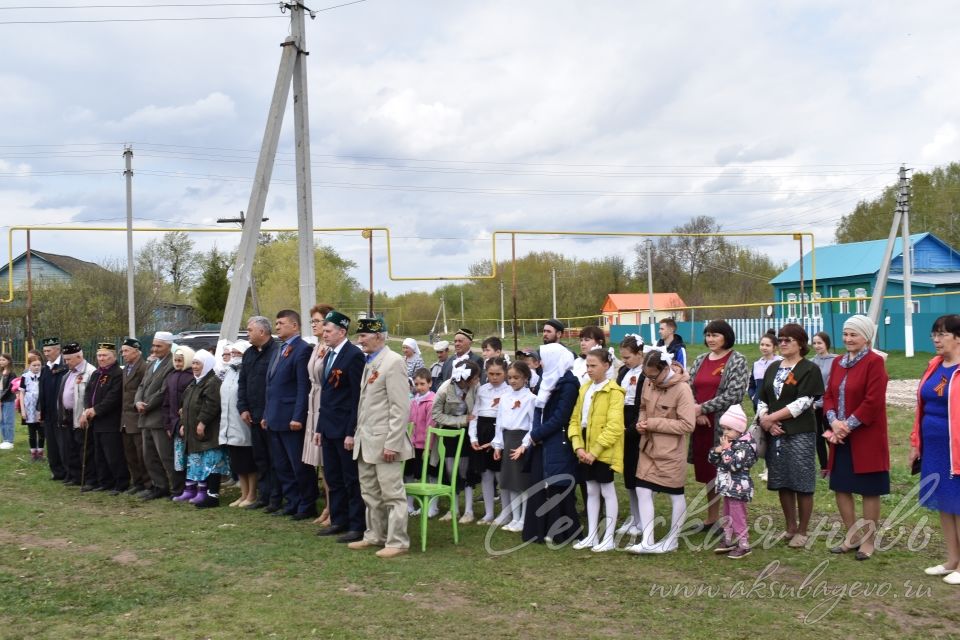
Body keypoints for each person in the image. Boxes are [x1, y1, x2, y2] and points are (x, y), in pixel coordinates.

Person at [822, 315, 889, 560]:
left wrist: (845, 426)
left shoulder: (874, 363)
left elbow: (872, 401)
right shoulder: (839, 362)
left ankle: (869, 541)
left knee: (869, 489)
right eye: (846, 334)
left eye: (854, 335)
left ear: (866, 337)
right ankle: (852, 535)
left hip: (866, 436)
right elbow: (828, 393)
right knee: (842, 485)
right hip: (840, 435)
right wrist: (833, 421)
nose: (848, 339)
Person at [348, 318, 414, 558]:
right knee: (370, 493)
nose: (360, 339)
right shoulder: (371, 362)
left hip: (386, 443)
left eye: (364, 335)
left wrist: (393, 443)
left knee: (392, 494)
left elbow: (400, 408)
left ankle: (397, 541)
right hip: (366, 441)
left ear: (379, 336)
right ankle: (375, 535)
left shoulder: (394, 362)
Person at [757, 323, 825, 549]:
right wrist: (766, 419)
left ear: (800, 343)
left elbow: (804, 402)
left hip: (800, 433)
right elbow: (762, 397)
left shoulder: (809, 369)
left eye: (788, 340)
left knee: (802, 481)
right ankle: (790, 527)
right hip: (775, 433)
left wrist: (771, 418)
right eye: (781, 339)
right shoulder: (773, 367)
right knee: (782, 480)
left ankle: (803, 530)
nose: (783, 343)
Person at [627, 347, 695, 555]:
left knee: (675, 494)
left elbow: (687, 425)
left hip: (671, 452)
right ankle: (648, 539)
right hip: (648, 446)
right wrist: (640, 423)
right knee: (642, 489)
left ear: (665, 369)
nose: (650, 380)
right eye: (647, 376)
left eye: (654, 376)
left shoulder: (683, 389)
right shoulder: (648, 381)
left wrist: (654, 423)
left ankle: (672, 539)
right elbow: (642, 408)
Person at [910, 314, 960, 584]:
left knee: (959, 503)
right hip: (934, 446)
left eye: (942, 334)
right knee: (944, 501)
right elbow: (922, 406)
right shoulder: (934, 365)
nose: (936, 340)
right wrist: (916, 442)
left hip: (957, 448)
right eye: (934, 334)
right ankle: (952, 560)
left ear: (958, 337)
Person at [688, 320, 749, 531]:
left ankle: (730, 520)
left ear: (726, 336)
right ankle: (711, 517)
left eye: (715, 335)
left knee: (726, 471)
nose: (710, 339)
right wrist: (696, 411)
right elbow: (689, 388)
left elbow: (734, 393)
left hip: (724, 427)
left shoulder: (737, 360)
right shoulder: (700, 359)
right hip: (701, 425)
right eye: (708, 335)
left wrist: (702, 408)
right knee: (708, 472)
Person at [521, 343, 581, 545]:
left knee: (558, 484)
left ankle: (562, 530)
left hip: (557, 439)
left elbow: (561, 416)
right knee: (538, 483)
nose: (542, 362)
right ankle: (538, 529)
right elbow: (539, 408)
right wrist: (536, 432)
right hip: (542, 439)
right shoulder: (546, 380)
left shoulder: (569, 384)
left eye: (546, 358)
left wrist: (537, 434)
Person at [315, 310, 366, 542]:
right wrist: (319, 427)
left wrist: (351, 431)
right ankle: (339, 520)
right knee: (333, 478)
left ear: (342, 332)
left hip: (344, 427)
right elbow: (326, 395)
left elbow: (356, 397)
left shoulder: (353, 355)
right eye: (323, 330)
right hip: (328, 426)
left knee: (350, 479)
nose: (324, 334)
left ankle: (356, 525)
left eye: (328, 331)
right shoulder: (329, 354)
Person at [568, 347, 625, 553]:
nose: (589, 369)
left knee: (606, 490)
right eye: (587, 365)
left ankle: (608, 537)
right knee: (591, 490)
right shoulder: (584, 389)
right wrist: (579, 447)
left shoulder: (615, 392)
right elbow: (575, 420)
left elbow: (615, 426)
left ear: (606, 366)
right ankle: (592, 535)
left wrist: (596, 451)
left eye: (593, 366)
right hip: (585, 444)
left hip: (604, 448)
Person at [262, 309, 315, 520]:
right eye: (276, 323)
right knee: (282, 465)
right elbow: (271, 386)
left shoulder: (302, 349)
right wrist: (267, 413)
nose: (277, 327)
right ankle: (292, 501)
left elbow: (303, 387)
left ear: (295, 326)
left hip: (291, 418)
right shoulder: (278, 348)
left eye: (281, 323)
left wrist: (298, 416)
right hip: (275, 416)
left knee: (298, 465)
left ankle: (306, 504)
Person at [237, 315, 280, 510]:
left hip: (270, 415)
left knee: (274, 459)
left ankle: (276, 498)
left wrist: (268, 413)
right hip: (252, 415)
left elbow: (276, 386)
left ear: (262, 332)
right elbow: (243, 382)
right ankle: (263, 496)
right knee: (260, 458)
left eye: (250, 330)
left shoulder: (277, 351)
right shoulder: (249, 354)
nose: (247, 333)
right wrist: (243, 407)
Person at [431, 360, 481, 522]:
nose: (478, 380)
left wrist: (470, 422)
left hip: (468, 432)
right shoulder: (444, 390)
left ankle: (468, 510)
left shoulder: (475, 387)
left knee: (465, 471)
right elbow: (437, 415)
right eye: (475, 378)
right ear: (467, 379)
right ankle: (453, 509)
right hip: (450, 431)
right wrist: (461, 420)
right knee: (451, 471)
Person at [134, 331, 180, 500]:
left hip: (159, 417)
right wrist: (137, 401)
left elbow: (164, 391)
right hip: (145, 418)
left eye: (158, 346)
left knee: (165, 456)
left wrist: (147, 405)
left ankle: (176, 489)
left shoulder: (171, 363)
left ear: (168, 346)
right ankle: (159, 486)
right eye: (153, 345)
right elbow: (141, 386)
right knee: (149, 456)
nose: (154, 349)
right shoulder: (153, 363)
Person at [180, 349, 228, 508]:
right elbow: (186, 405)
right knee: (201, 463)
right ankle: (202, 492)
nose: (194, 366)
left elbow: (212, 404)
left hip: (209, 431)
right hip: (195, 432)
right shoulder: (195, 381)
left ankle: (212, 495)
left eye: (198, 363)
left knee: (212, 462)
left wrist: (202, 422)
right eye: (193, 363)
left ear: (207, 364)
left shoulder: (212, 381)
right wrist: (182, 423)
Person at [492, 361, 536, 532]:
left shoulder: (531, 398)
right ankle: (515, 517)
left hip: (521, 441)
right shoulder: (505, 397)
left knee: (522, 482)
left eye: (516, 377)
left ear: (525, 377)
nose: (512, 381)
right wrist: (498, 445)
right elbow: (500, 422)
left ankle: (524, 519)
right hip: (508, 439)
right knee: (510, 482)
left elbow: (533, 424)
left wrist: (525, 445)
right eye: (509, 378)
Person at [708, 404, 757, 559]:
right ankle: (728, 540)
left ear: (740, 430)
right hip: (728, 487)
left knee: (737, 515)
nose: (725, 432)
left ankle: (744, 544)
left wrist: (726, 450)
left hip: (738, 488)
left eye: (729, 429)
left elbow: (734, 465)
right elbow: (713, 461)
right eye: (724, 428)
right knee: (727, 514)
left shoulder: (745, 446)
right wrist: (716, 452)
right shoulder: (730, 444)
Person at [80, 343, 128, 495]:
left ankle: (120, 483)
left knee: (112, 454)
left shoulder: (117, 374)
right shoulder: (96, 373)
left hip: (110, 420)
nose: (101, 358)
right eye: (99, 355)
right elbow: (88, 393)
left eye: (105, 355)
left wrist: (96, 410)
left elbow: (113, 397)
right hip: (95, 420)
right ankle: (104, 481)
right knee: (98, 454)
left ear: (114, 357)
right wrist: (87, 409)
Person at [469, 357, 510, 524]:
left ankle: (506, 512)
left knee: (501, 475)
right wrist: (473, 436)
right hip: (482, 431)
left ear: (505, 373)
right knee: (486, 474)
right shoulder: (482, 390)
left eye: (498, 374)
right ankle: (489, 513)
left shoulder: (509, 391)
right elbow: (475, 414)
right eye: (491, 373)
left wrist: (497, 440)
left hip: (499, 432)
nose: (494, 377)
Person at [305, 303, 335, 524]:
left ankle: (334, 508)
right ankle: (327, 506)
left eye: (317, 321)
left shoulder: (331, 349)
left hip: (325, 403)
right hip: (314, 402)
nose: (314, 325)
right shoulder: (317, 347)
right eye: (312, 321)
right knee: (322, 463)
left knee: (329, 461)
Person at [220, 340, 258, 507]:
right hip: (229, 423)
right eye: (232, 353)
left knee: (248, 460)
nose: (234, 356)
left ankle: (252, 494)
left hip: (243, 423)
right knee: (237, 462)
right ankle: (243, 494)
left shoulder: (248, 372)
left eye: (238, 354)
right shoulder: (229, 371)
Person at [615, 334, 645, 536]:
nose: (624, 361)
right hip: (621, 419)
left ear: (640, 354)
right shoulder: (624, 371)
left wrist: (632, 427)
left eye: (627, 357)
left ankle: (642, 519)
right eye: (622, 357)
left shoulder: (645, 374)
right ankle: (634, 516)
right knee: (628, 474)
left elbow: (643, 402)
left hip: (636, 422)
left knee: (637, 472)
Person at [57, 343, 98, 488]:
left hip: (81, 415)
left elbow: (91, 396)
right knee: (71, 448)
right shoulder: (69, 373)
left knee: (85, 449)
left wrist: (85, 413)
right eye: (65, 359)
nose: (66, 362)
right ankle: (75, 476)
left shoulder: (91, 372)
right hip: (67, 415)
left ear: (79, 356)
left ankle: (89, 479)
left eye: (68, 359)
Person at [165, 346, 196, 501]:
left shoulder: (191, 377)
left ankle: (191, 488)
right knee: (178, 460)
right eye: (175, 360)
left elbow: (188, 404)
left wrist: (183, 422)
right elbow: (167, 403)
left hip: (185, 424)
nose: (177, 363)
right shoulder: (171, 376)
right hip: (174, 424)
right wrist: (168, 425)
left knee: (190, 459)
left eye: (180, 360)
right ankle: (178, 489)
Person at [120, 338, 150, 495]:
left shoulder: (144, 367)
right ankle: (137, 482)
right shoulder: (126, 368)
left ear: (136, 351)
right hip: (125, 419)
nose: (123, 354)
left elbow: (144, 391)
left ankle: (147, 484)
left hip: (137, 417)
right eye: (122, 351)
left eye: (126, 351)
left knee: (141, 454)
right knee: (130, 454)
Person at [38, 337, 68, 479]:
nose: (46, 353)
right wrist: (40, 410)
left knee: (63, 444)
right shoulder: (46, 368)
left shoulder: (64, 366)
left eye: (49, 350)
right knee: (51, 444)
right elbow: (42, 390)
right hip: (48, 413)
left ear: (57, 350)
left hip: (61, 413)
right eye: (44, 351)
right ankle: (56, 471)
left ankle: (67, 471)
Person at [406, 368, 436, 516]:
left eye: (422, 384)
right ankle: (409, 504)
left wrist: (428, 447)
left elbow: (431, 424)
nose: (419, 387)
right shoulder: (413, 400)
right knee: (410, 473)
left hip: (426, 445)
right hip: (412, 444)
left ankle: (431, 506)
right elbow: (410, 421)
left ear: (430, 383)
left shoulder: (431, 401)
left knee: (429, 475)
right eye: (416, 384)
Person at [810, 331, 838, 475]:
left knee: (830, 434)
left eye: (819, 343)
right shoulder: (811, 362)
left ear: (826, 343)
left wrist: (822, 402)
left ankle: (835, 464)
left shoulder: (835, 360)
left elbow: (832, 384)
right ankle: (824, 466)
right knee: (818, 436)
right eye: (814, 343)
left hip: (828, 404)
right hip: (814, 405)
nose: (817, 346)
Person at [748, 329, 781, 412]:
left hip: (776, 407)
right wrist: (754, 397)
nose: (764, 347)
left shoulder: (781, 363)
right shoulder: (756, 364)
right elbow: (751, 385)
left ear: (774, 347)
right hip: (758, 407)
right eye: (762, 344)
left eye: (767, 345)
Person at [19, 354, 44, 461]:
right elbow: (21, 394)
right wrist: (23, 410)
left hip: (41, 406)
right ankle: (33, 453)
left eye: (39, 365)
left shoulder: (43, 376)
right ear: (29, 365)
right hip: (29, 407)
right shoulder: (25, 377)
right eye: (34, 365)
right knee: (32, 431)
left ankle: (41, 452)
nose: (37, 367)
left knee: (42, 431)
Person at [0, 354, 15, 450]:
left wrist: (1, 398)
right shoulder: (1, 372)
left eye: (3, 360)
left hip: (8, 399)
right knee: (1, 420)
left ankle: (9, 441)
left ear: (8, 361)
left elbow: (9, 389)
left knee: (8, 420)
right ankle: (5, 440)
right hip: (1, 397)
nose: (1, 361)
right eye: (0, 360)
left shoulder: (11, 374)